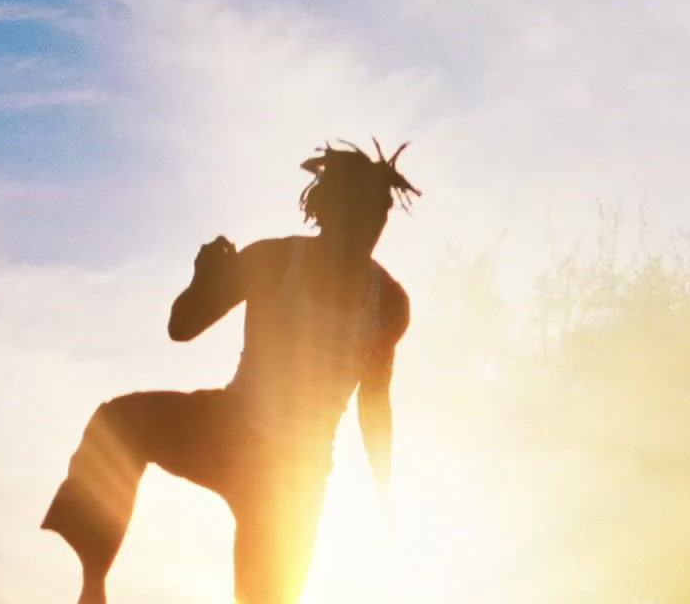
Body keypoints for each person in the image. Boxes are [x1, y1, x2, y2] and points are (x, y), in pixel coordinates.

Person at [41, 140, 419, 604]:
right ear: (331, 210)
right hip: (229, 428)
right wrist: (206, 278)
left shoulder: (390, 303)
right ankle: (93, 585)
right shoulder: (274, 259)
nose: (373, 226)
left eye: (380, 214)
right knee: (120, 421)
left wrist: (386, 487)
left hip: (294, 481)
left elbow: (375, 401)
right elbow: (182, 327)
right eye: (362, 211)